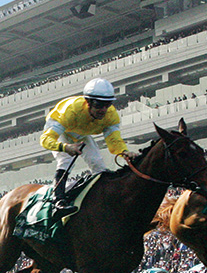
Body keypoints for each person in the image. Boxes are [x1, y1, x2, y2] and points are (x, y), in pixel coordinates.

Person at [40, 78, 140, 212]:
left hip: (81, 135)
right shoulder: (70, 111)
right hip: (63, 132)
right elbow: (45, 139)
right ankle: (58, 200)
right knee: (65, 161)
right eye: (99, 105)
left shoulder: (111, 116)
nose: (103, 110)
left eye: (107, 104)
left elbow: (114, 139)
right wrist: (65, 147)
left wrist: (124, 151)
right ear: (88, 102)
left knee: (98, 164)